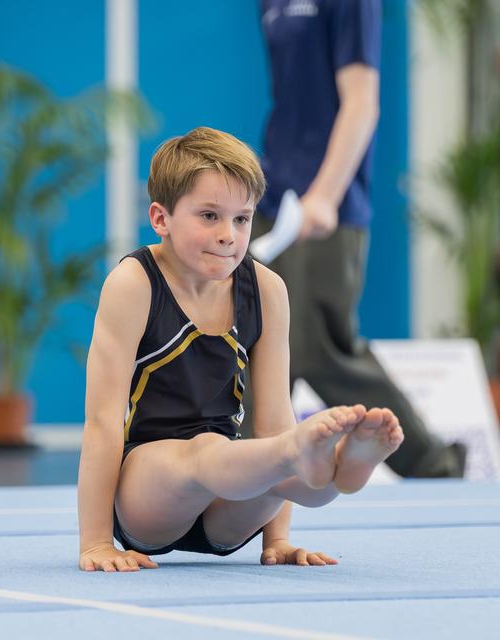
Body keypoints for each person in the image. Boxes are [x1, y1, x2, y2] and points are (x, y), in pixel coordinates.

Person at [77, 126, 404, 572]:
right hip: (149, 495)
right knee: (212, 452)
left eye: (242, 218)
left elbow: (273, 420)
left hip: (228, 497)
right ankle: (312, 463)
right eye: (209, 216)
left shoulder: (266, 290)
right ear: (161, 219)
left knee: (276, 474)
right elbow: (101, 423)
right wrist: (97, 542)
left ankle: (345, 467)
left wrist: (279, 540)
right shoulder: (135, 284)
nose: (229, 234)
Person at [254, 0, 466, 478]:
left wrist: (325, 195)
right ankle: (250, 479)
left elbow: (361, 101)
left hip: (326, 201)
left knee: (316, 346)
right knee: (263, 343)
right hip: (274, 200)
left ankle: (434, 462)